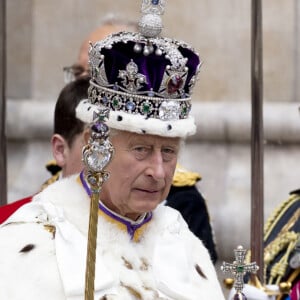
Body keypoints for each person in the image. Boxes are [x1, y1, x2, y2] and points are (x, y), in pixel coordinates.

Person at [0, 2, 225, 299]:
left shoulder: (182, 241)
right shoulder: (32, 241)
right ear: (96, 145)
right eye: (141, 149)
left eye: (168, 152)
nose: (158, 171)